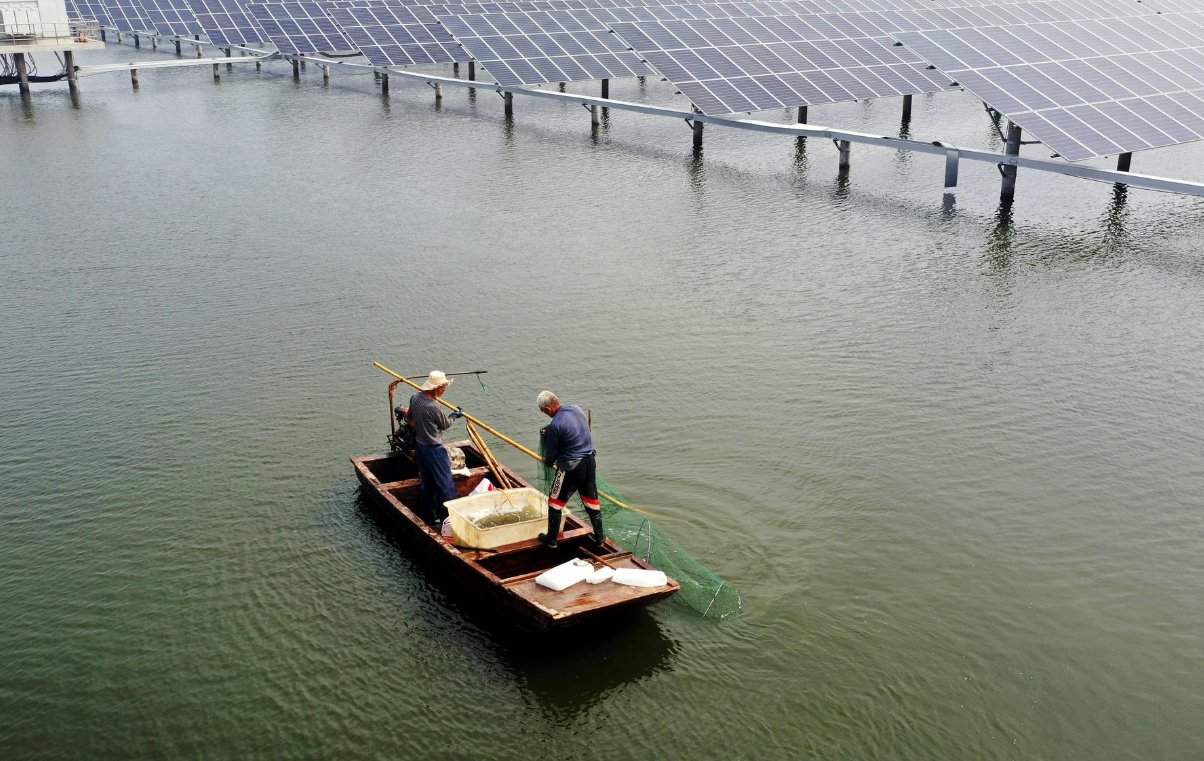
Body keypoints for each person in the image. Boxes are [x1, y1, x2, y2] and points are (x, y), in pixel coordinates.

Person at [536, 391, 603, 549]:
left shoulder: (555, 425)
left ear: (548, 408)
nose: (544, 414)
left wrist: (547, 462)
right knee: (591, 501)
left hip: (571, 467)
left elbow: (551, 456)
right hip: (589, 462)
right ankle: (600, 537)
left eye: (542, 411)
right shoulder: (577, 409)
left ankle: (551, 539)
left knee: (554, 503)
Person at [407, 371, 464, 525]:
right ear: (435, 388)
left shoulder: (415, 397)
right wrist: (455, 415)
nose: (445, 389)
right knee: (446, 486)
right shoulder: (434, 406)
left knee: (429, 484)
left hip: (420, 448)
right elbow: (445, 425)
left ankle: (428, 517)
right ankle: (449, 519)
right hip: (434, 450)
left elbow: (409, 419)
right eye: (443, 387)